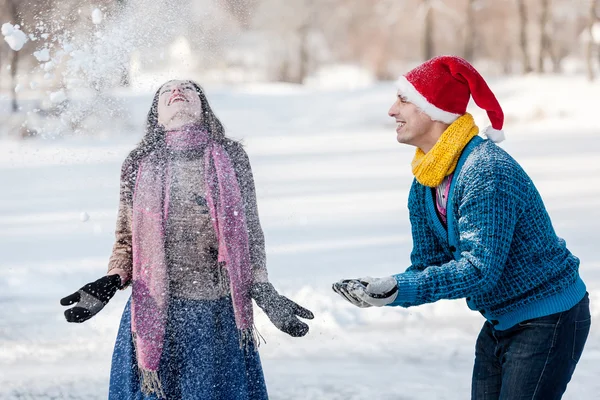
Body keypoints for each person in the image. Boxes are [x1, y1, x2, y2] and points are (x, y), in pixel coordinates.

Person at [332, 56, 591, 399]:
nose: (392, 110)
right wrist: (383, 290)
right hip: (500, 320)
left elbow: (479, 270)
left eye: (404, 100)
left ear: (435, 110)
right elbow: (428, 265)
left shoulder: (485, 171)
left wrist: (399, 288)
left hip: (548, 316)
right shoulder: (425, 182)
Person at [60, 79, 314, 399]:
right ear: (157, 115)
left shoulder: (232, 157)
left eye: (188, 89)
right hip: (156, 312)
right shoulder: (137, 163)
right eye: (166, 92)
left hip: (217, 316)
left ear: (203, 108)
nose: (177, 92)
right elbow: (127, 239)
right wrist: (110, 281)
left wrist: (262, 288)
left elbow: (249, 233)